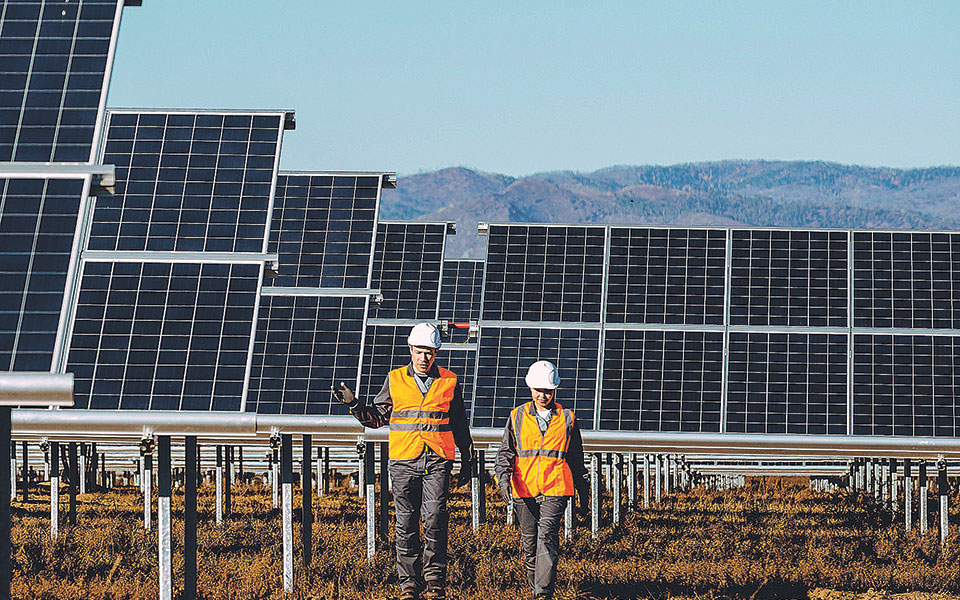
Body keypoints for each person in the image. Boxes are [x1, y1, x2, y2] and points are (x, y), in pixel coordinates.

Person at [335, 322, 474, 600]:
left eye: (429, 352)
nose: (424, 358)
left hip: (437, 459)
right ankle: (409, 584)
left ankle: (435, 581)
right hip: (403, 460)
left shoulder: (449, 380)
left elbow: (459, 422)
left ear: (436, 353)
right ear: (410, 349)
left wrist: (467, 459)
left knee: (435, 518)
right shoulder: (395, 379)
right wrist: (355, 405)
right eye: (419, 351)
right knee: (406, 522)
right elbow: (378, 418)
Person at [494, 360, 589, 600]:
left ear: (554, 390)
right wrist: (503, 478)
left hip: (556, 487)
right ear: (530, 388)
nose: (542, 395)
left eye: (547, 391)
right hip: (524, 488)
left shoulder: (567, 418)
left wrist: (583, 490)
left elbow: (576, 457)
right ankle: (535, 587)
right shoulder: (517, 416)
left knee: (546, 536)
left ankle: (543, 593)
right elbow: (506, 452)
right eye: (538, 390)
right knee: (530, 544)